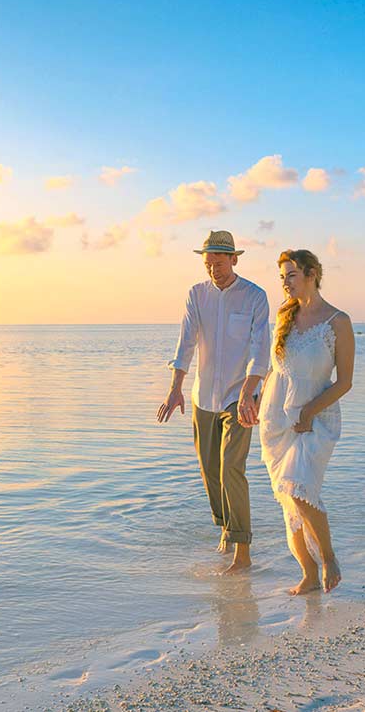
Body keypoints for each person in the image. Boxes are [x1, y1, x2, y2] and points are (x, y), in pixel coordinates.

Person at [157, 230, 271, 574]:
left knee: (231, 468)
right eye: (208, 264)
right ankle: (226, 526)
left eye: (219, 263)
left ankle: (242, 551)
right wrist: (175, 387)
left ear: (234, 259)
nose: (213, 270)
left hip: (240, 398)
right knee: (210, 472)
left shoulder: (255, 296)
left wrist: (251, 389)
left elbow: (260, 347)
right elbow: (186, 344)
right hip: (202, 397)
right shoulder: (197, 295)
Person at [257, 249, 355, 595]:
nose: (284, 283)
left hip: (315, 417)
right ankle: (308, 574)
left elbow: (344, 382)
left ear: (312, 273)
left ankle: (328, 559)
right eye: (282, 277)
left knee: (299, 488)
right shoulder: (285, 316)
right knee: (287, 498)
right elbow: (275, 369)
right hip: (276, 418)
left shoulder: (337, 322)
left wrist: (309, 411)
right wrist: (252, 398)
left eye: (291, 275)